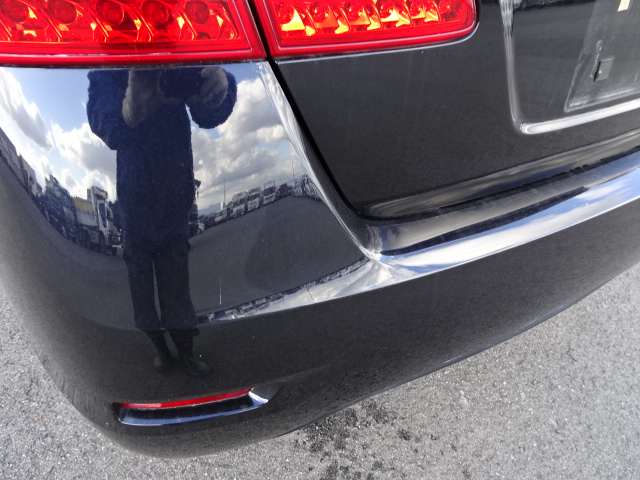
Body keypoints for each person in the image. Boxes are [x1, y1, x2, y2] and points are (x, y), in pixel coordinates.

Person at [87, 66, 237, 375]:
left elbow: (208, 114)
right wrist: (131, 108)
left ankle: (186, 350)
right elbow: (104, 121)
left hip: (174, 196)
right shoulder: (114, 60)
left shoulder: (179, 46)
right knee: (140, 282)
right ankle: (159, 347)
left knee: (176, 278)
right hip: (134, 201)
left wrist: (218, 86)